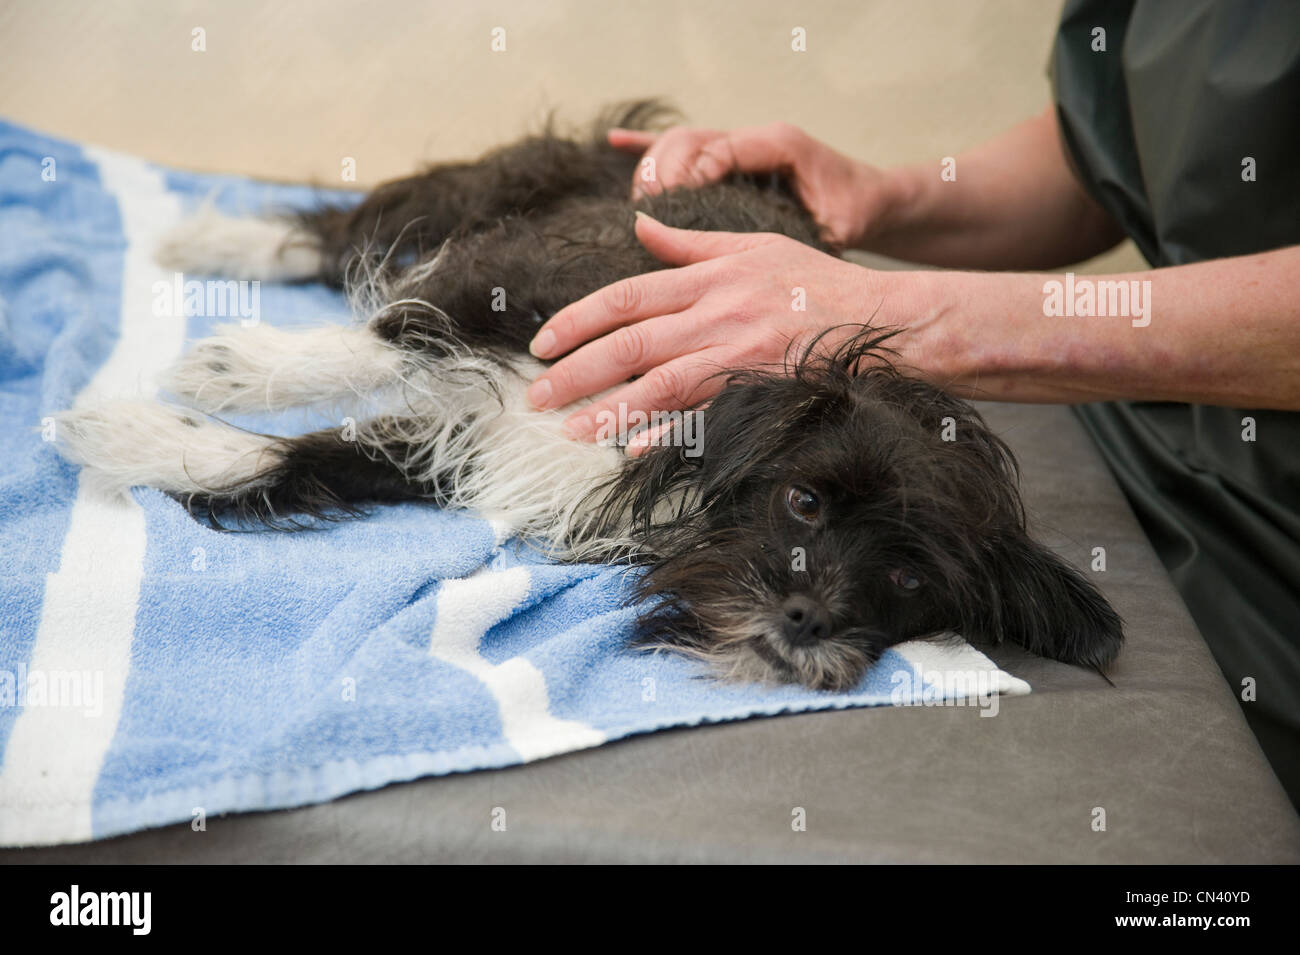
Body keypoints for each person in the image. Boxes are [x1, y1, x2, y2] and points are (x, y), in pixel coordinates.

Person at [525, 1, 1300, 804]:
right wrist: (886, 197)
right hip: (1141, 416)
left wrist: (910, 319)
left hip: (1265, 554)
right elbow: (1103, 157)